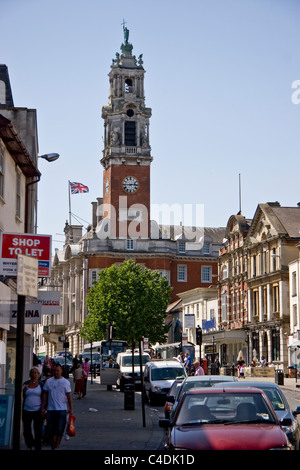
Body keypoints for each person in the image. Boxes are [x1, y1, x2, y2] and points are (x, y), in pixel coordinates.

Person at [41, 364, 73, 450]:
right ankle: (53, 444)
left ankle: (57, 446)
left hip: (62, 409)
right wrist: (43, 407)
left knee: (60, 429)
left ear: (61, 371)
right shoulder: (49, 381)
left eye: (57, 370)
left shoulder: (65, 382)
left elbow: (69, 395)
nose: (56, 372)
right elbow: (45, 395)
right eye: (54, 370)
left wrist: (71, 408)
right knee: (50, 429)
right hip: (50, 409)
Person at [22, 367, 44, 450]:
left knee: (37, 430)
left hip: (37, 410)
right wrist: (24, 390)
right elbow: (22, 395)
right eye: (32, 372)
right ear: (30, 374)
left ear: (38, 374)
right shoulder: (26, 383)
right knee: (27, 430)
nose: (34, 374)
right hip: (27, 410)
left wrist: (44, 408)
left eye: (35, 373)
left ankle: (38, 446)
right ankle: (29, 444)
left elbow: (44, 397)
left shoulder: (41, 384)